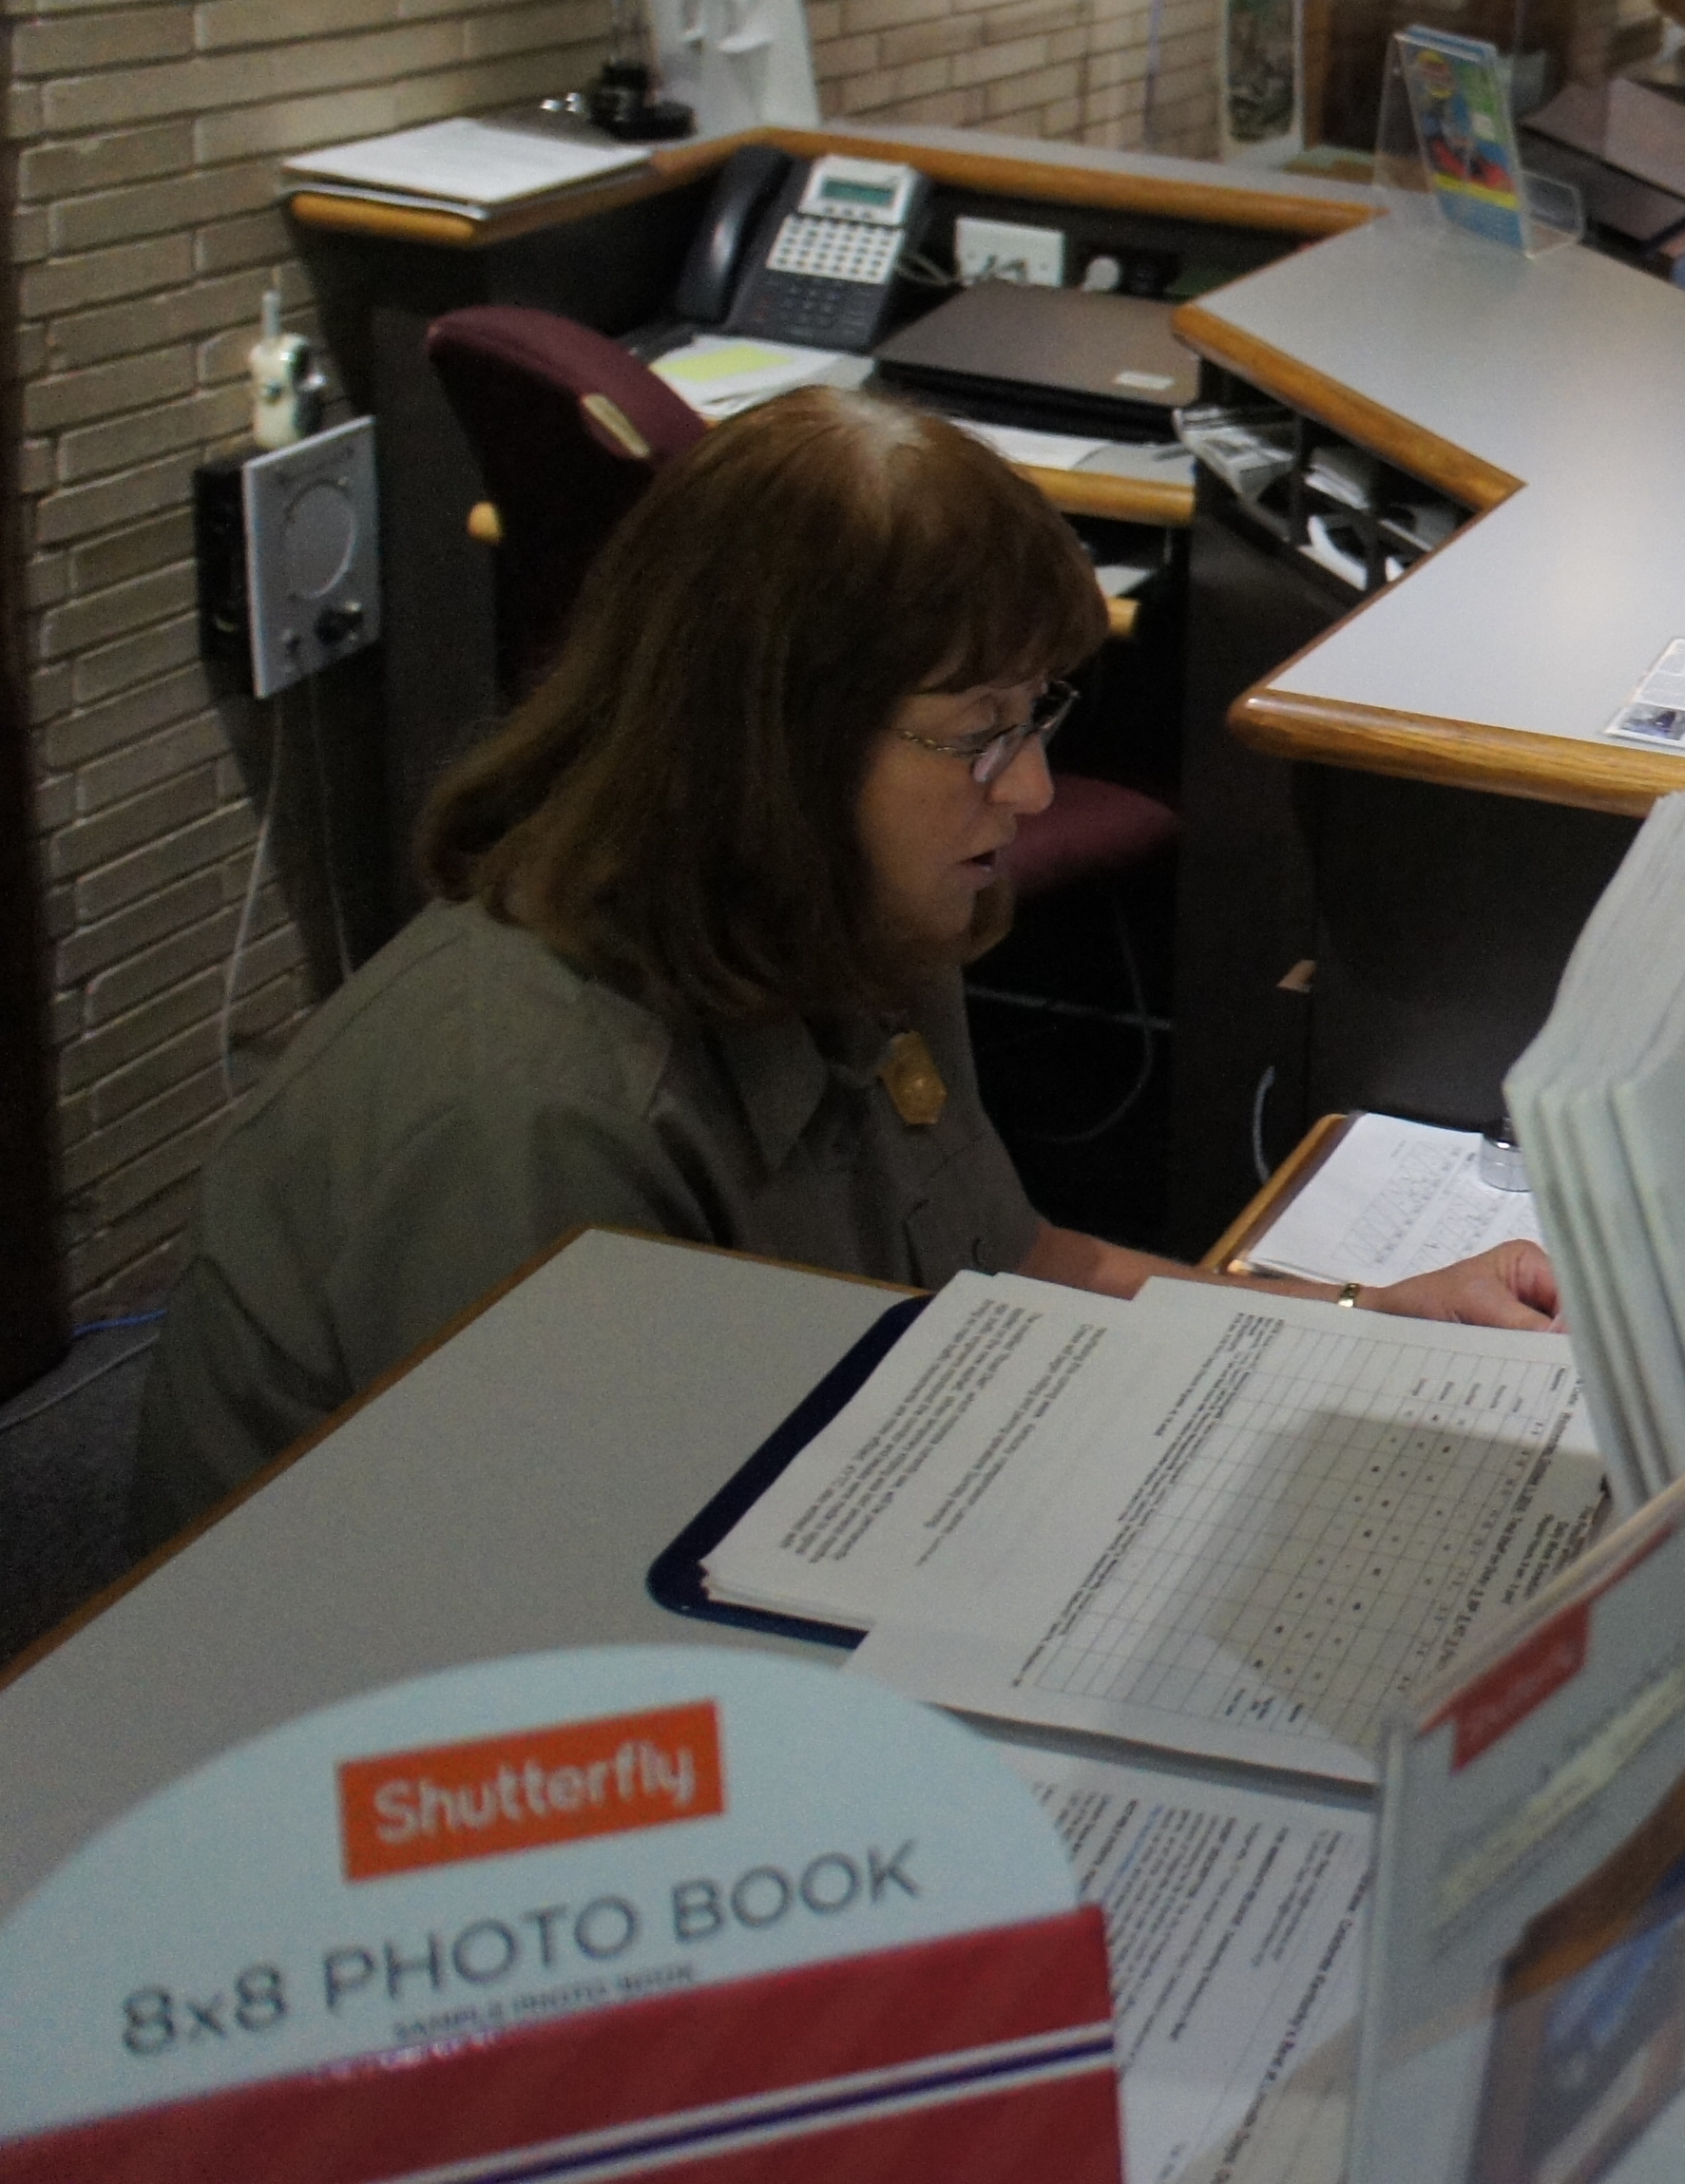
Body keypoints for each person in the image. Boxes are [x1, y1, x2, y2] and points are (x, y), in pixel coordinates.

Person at [131, 385, 1558, 1540]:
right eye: (980, 733)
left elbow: (1015, 1261)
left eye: (1035, 715)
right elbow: (543, 1615)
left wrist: (1354, 1324)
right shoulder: (529, 1113)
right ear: (779, 747)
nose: (1033, 789)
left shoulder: (858, 907)